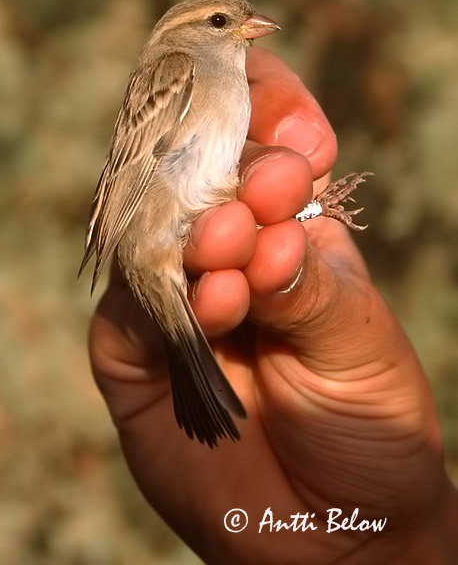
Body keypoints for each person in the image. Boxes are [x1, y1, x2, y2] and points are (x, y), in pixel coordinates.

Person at [88, 47, 458, 564]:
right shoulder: (176, 66)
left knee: (249, 213)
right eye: (221, 20)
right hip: (155, 220)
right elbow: (138, 168)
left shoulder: (221, 75)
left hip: (188, 224)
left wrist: (388, 542)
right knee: (240, 219)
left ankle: (302, 210)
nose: (248, 27)